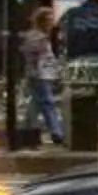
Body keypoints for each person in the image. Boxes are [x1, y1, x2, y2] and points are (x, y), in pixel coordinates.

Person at [22, 10, 66, 146]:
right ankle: (56, 132)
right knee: (47, 103)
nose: (51, 23)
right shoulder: (37, 37)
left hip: (43, 74)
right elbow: (35, 56)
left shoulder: (42, 36)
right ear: (42, 21)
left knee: (36, 104)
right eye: (49, 20)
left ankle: (28, 130)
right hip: (40, 75)